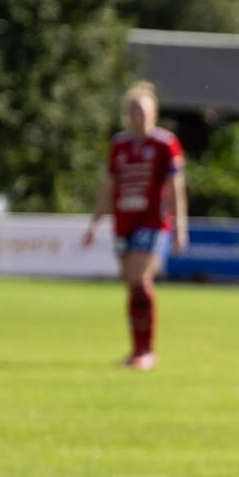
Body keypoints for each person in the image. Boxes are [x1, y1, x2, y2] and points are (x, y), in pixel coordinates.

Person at [82, 82, 186, 369]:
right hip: (124, 224)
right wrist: (94, 225)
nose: (137, 115)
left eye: (142, 109)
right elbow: (108, 187)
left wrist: (180, 226)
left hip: (153, 224)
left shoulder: (165, 144)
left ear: (154, 112)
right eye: (132, 110)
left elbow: (176, 187)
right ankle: (137, 349)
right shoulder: (119, 145)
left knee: (141, 281)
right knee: (131, 285)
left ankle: (147, 352)